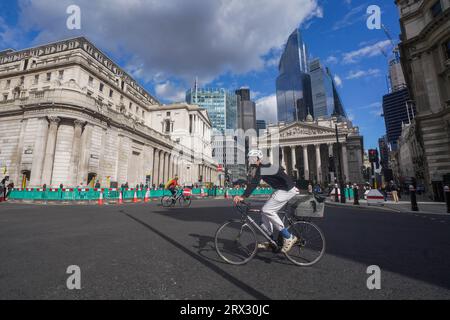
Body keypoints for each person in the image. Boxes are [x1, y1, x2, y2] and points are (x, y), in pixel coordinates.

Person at [233, 149, 298, 254]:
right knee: (264, 213)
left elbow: (254, 183)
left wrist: (243, 196)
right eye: (250, 159)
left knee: (267, 210)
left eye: (252, 159)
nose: (250, 161)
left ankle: (288, 237)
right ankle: (271, 241)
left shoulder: (263, 167)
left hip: (287, 189)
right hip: (282, 189)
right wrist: (239, 182)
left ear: (258, 158)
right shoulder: (263, 167)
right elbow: (254, 181)